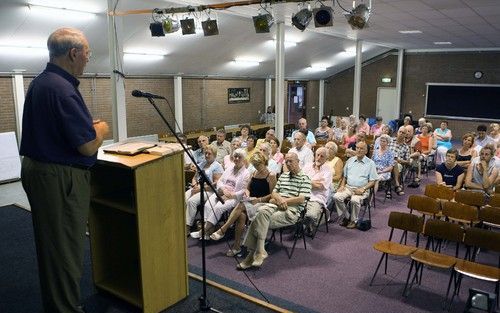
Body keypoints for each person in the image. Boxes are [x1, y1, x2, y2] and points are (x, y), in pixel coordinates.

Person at [20, 27, 110, 313]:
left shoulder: (42, 82)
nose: (87, 59)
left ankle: (59, 305)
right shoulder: (63, 90)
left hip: (40, 170)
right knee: (65, 251)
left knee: (52, 247)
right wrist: (101, 131)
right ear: (74, 53)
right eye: (87, 54)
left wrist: (87, 129)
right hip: (59, 179)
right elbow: (86, 147)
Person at [237, 152, 311, 269]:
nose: (288, 163)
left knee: (258, 219)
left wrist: (284, 201)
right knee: (261, 212)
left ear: (298, 162)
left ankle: (251, 255)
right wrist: (279, 199)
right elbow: (274, 192)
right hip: (275, 205)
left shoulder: (305, 178)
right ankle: (260, 251)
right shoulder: (284, 176)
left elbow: (301, 199)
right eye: (286, 161)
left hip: (291, 210)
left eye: (291, 161)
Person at [210, 151, 276, 256]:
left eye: (258, 165)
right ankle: (236, 247)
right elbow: (247, 189)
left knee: (241, 205)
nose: (257, 167)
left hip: (263, 203)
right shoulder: (254, 173)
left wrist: (258, 200)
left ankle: (223, 229)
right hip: (251, 201)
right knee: (240, 215)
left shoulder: (271, 175)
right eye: (254, 165)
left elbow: (273, 195)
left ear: (265, 162)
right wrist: (247, 193)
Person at [190, 148, 250, 239]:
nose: (237, 159)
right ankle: (208, 231)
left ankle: (202, 231)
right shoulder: (229, 168)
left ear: (244, 159)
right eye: (235, 156)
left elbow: (243, 190)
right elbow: (220, 181)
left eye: (239, 157)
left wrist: (231, 195)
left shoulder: (246, 173)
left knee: (218, 207)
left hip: (234, 197)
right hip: (222, 192)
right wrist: (223, 190)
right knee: (208, 205)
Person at [333, 142, 378, 229]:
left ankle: (354, 220)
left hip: (362, 189)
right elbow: (345, 177)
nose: (358, 150)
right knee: (336, 197)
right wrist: (342, 186)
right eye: (357, 148)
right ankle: (347, 216)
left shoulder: (370, 163)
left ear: (366, 151)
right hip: (348, 187)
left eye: (361, 148)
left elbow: (373, 181)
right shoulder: (350, 160)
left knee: (354, 200)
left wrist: (363, 188)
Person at [185, 145, 224, 234]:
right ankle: (184, 221)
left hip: (209, 190)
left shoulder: (217, 166)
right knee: (183, 198)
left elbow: (215, 184)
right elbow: (195, 177)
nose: (206, 155)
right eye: (205, 153)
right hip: (197, 188)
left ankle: (187, 226)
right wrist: (194, 184)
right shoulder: (202, 163)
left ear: (214, 155)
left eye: (209, 154)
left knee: (192, 201)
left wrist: (200, 189)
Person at [303, 147, 332, 231]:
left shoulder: (328, 170)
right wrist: (313, 182)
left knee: (311, 215)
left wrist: (306, 181)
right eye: (317, 155)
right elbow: (300, 179)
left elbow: (320, 186)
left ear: (326, 158)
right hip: (303, 194)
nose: (319, 158)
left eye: (322, 156)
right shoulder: (307, 166)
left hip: (317, 197)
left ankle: (317, 219)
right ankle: (304, 225)